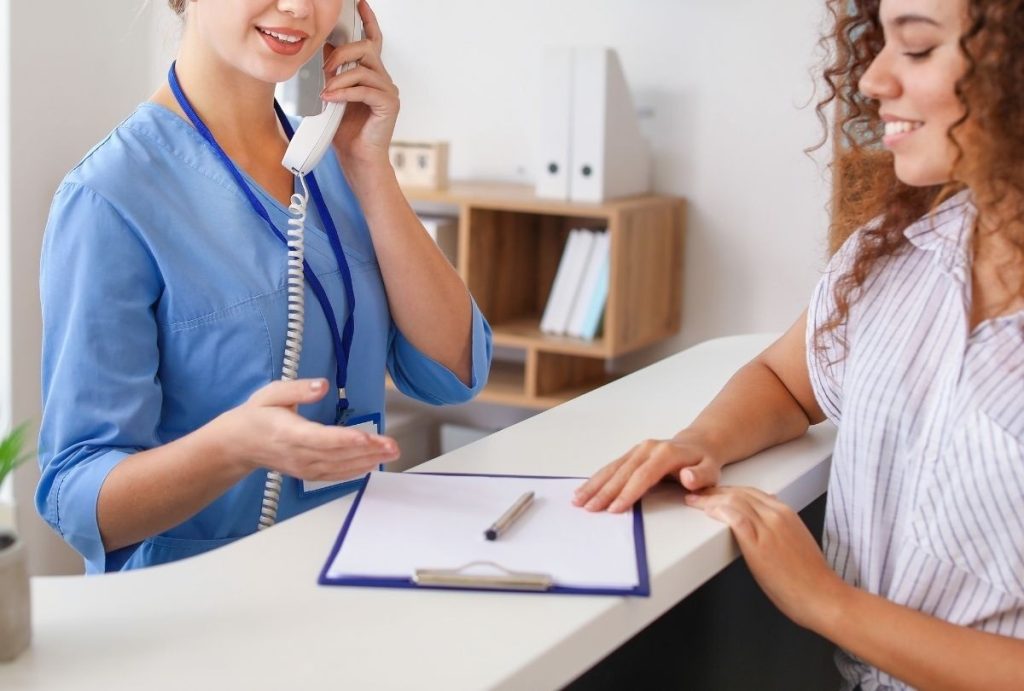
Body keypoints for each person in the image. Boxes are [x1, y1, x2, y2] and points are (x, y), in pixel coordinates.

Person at [574, 0, 1024, 687]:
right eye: (879, 43)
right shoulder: (895, 255)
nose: (872, 80)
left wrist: (827, 602)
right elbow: (788, 380)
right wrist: (704, 440)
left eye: (919, 47)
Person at [37, 0, 492, 574]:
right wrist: (233, 448)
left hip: (357, 570)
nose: (300, 7)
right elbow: (78, 503)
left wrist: (369, 167)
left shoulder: (333, 155)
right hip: (202, 610)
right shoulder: (110, 196)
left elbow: (451, 373)